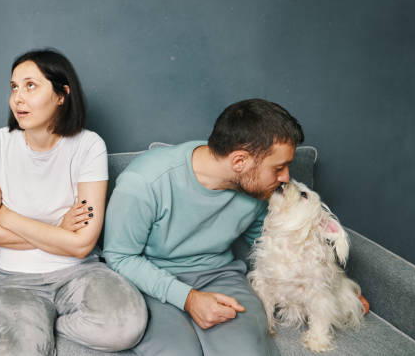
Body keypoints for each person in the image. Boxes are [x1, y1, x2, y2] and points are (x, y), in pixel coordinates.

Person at [0, 48, 147, 356]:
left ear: (62, 95)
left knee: (126, 327)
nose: (18, 98)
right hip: (14, 279)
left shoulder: (89, 145)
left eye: (31, 86)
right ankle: (34, 325)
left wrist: (8, 217)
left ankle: (46, 324)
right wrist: (58, 229)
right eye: (14, 87)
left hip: (81, 272)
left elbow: (81, 245)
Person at [103, 99, 305, 356]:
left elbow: (271, 246)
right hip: (149, 280)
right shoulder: (145, 181)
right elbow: (120, 256)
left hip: (220, 276)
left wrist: (334, 291)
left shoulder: (258, 190)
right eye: (278, 168)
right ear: (240, 161)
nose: (286, 177)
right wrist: (187, 298)